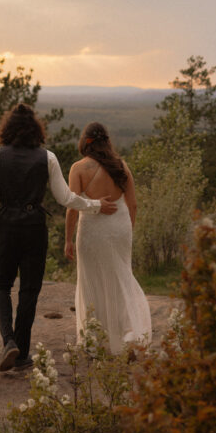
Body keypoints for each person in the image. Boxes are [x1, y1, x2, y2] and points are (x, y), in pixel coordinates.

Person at [0, 104, 117, 372]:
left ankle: (9, 342)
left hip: (7, 226)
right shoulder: (48, 158)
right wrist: (96, 205)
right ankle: (21, 354)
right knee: (30, 290)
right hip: (34, 227)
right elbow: (65, 198)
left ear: (6, 129)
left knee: (2, 286)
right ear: (36, 130)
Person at [64, 121, 151, 354]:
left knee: (92, 280)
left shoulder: (79, 168)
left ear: (85, 142)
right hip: (120, 227)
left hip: (93, 231)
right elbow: (133, 204)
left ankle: (96, 339)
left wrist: (68, 239)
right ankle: (129, 333)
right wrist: (126, 232)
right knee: (121, 276)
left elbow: (72, 207)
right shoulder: (121, 166)